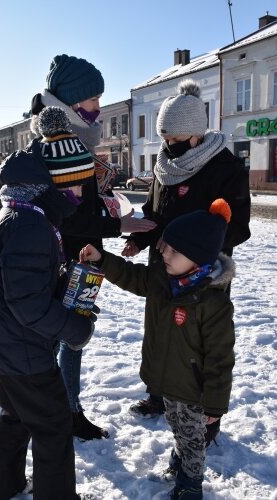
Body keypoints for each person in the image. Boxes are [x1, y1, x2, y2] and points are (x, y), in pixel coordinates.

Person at [29, 57, 157, 441]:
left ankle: (63, 409)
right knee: (63, 337)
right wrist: (119, 223)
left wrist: (108, 207)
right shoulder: (57, 149)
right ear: (68, 103)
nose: (98, 108)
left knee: (73, 336)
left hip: (84, 256)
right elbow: (68, 217)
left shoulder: (75, 142)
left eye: (100, 98)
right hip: (65, 259)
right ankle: (57, 411)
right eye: (91, 99)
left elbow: (82, 209)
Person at [80, 199, 236, 500]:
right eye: (165, 246)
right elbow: (131, 276)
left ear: (198, 259)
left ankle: (191, 485)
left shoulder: (212, 303)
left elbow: (220, 358)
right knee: (178, 427)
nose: (163, 253)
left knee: (192, 439)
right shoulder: (163, 279)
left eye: (173, 251)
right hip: (167, 382)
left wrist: (215, 405)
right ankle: (182, 460)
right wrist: (102, 259)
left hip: (194, 390)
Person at [122, 79, 250, 431]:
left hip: (200, 275)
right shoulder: (164, 167)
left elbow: (237, 226)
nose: (168, 146)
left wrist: (198, 249)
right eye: (164, 139)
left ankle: (207, 413)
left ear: (196, 134)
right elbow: (154, 211)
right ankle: (159, 392)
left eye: (175, 141)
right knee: (161, 330)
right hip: (162, 265)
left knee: (201, 342)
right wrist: (141, 241)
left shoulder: (226, 170)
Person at [0, 149, 97, 500]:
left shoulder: (20, 217)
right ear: (46, 187)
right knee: (54, 427)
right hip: (22, 352)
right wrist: (76, 329)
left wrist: (66, 289)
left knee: (16, 416)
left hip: (5, 345)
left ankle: (2, 485)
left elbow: (22, 287)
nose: (76, 196)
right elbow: (27, 304)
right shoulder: (29, 226)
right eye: (70, 188)